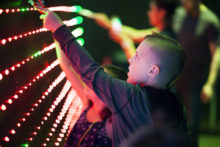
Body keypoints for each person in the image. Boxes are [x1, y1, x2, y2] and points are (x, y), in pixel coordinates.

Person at [36, 4, 186, 147]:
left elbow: (90, 71)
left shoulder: (131, 96)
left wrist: (59, 29)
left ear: (153, 71)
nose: (130, 59)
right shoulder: (179, 108)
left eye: (138, 56)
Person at [55, 41, 127, 146]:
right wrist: (57, 34)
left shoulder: (113, 123)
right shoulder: (88, 103)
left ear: (109, 92)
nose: (90, 80)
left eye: (97, 80)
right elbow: (66, 65)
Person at [172, 0, 220, 142]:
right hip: (174, 79)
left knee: (191, 128)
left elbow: (216, 54)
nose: (183, 2)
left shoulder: (210, 20)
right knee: (171, 123)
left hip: (195, 83)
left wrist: (210, 84)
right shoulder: (178, 14)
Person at [92, 0, 177, 59]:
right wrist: (107, 23)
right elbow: (134, 34)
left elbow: (140, 66)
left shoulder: (164, 39)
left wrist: (125, 41)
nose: (149, 13)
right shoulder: (161, 32)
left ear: (162, 13)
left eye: (152, 9)